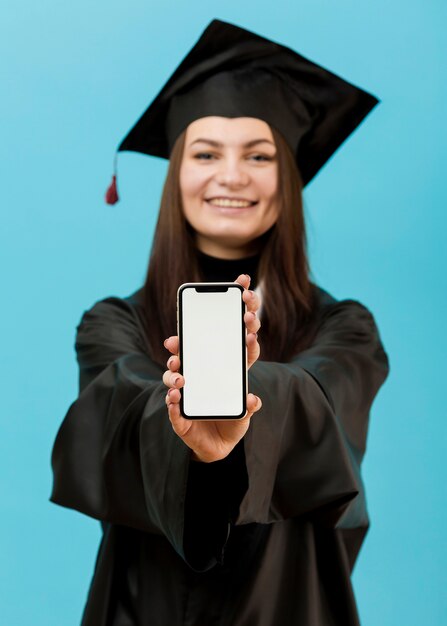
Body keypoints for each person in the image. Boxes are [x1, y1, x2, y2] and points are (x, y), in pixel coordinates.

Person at [50, 19, 390, 626]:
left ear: (287, 177)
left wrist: (227, 409)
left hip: (287, 604)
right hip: (141, 607)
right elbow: (120, 414)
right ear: (176, 172)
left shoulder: (345, 330)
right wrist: (194, 429)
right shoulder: (112, 325)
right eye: (206, 153)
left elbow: (321, 415)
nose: (231, 176)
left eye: (259, 156)